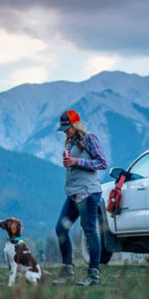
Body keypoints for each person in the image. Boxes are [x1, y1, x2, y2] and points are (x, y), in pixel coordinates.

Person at [52, 110, 108, 286]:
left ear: (76, 125)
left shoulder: (89, 139)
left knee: (89, 230)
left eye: (67, 127)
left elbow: (102, 162)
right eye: (63, 128)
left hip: (88, 193)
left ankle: (94, 275)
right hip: (73, 193)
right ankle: (67, 271)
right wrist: (69, 163)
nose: (65, 131)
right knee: (61, 229)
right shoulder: (70, 143)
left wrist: (77, 162)